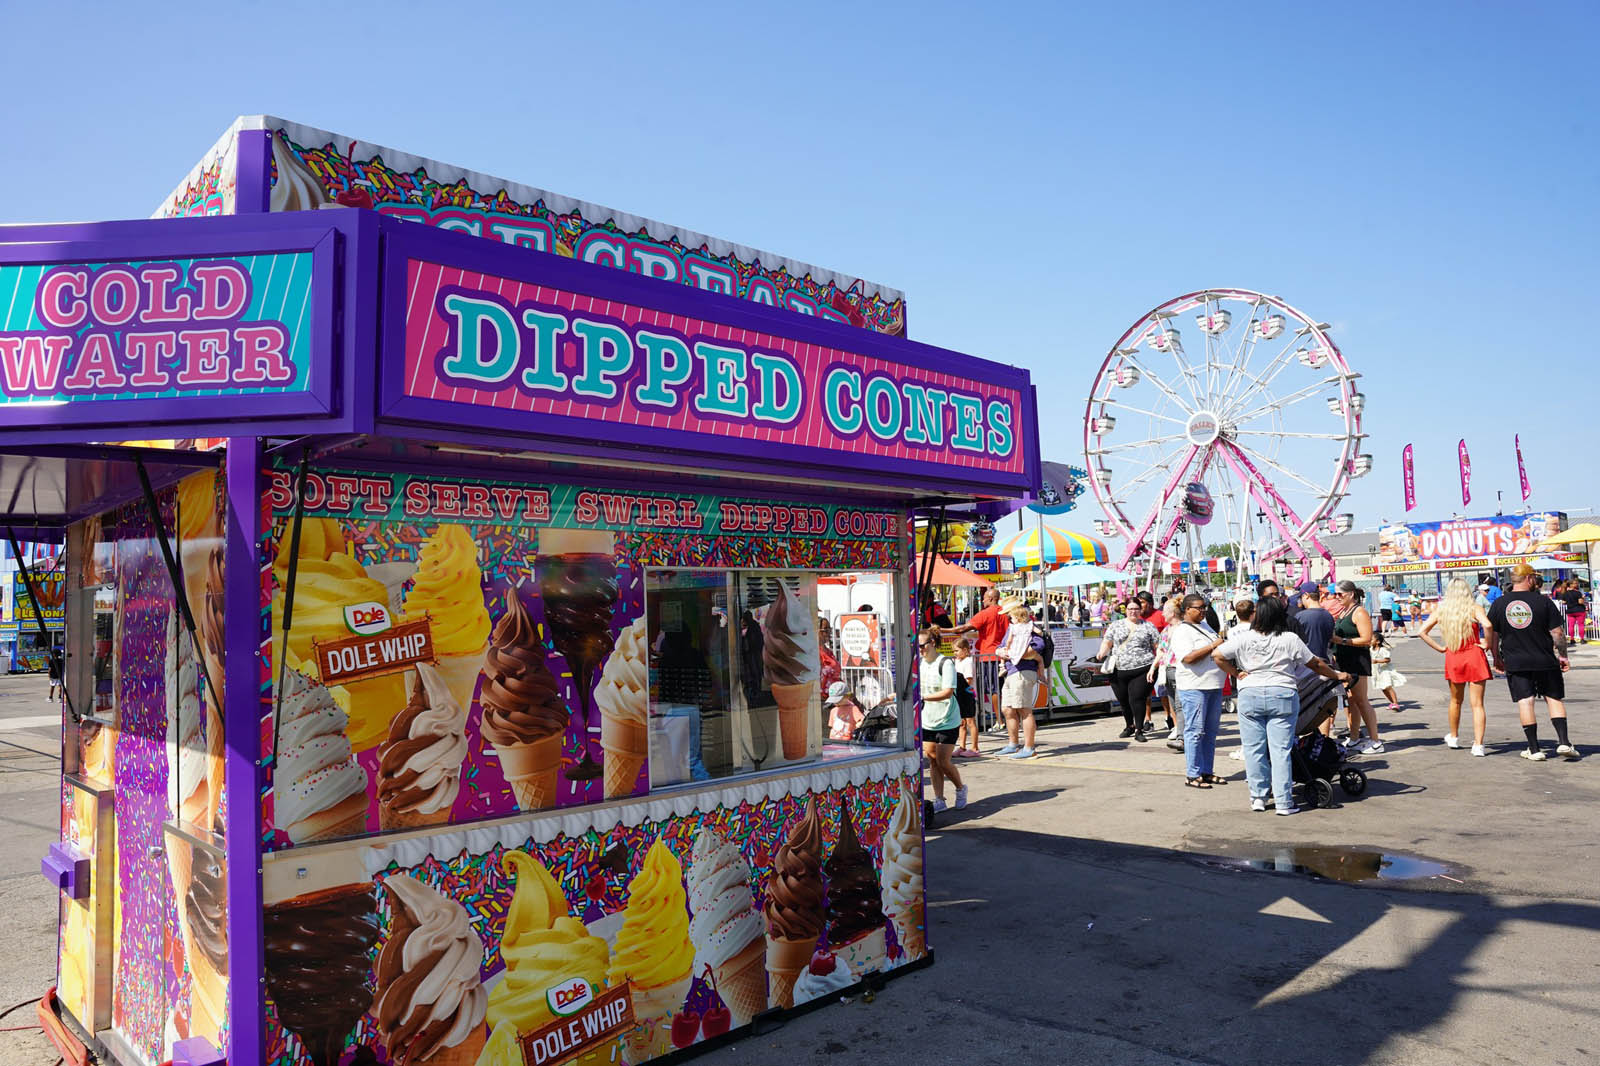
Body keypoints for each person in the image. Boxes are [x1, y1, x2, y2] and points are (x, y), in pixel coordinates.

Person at [1213, 595, 1351, 815]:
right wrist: (1337, 674)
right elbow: (1315, 663)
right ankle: (1284, 803)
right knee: (1281, 751)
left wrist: (1237, 673)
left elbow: (1217, 655)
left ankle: (1258, 797)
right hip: (1283, 693)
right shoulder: (1289, 638)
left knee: (1254, 749)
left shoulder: (1243, 638)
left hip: (1250, 693)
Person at [1487, 562, 1575, 761]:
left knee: (1525, 702)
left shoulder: (1500, 604)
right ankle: (1563, 742)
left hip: (1515, 661)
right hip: (1544, 659)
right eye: (1534, 577)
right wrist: (1563, 655)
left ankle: (1534, 749)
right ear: (1529, 578)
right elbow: (1557, 633)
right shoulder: (1542, 601)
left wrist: (1496, 656)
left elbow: (1493, 633)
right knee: (1553, 698)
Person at [1419, 578, 1493, 755]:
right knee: (1477, 704)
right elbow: (1488, 624)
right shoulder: (1475, 608)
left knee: (1455, 701)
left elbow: (1422, 631)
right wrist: (1487, 643)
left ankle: (1453, 736)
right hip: (1474, 654)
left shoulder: (1442, 610)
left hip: (1454, 655)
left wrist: (1440, 648)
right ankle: (1478, 745)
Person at [1172, 593, 1228, 788]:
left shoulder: (1205, 625)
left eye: (1205, 607)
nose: (1204, 610)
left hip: (1214, 685)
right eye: (1199, 608)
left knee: (1210, 732)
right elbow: (1188, 658)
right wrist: (1214, 645)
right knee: (1195, 731)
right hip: (1194, 686)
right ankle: (1192, 774)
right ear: (1187, 609)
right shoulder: (1181, 631)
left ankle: (1206, 771)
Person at [1331, 581, 1384, 754]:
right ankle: (1354, 737)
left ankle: (1375, 740)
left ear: (1351, 594)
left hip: (1357, 660)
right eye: (1336, 594)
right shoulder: (1344, 611)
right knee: (1351, 701)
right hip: (1344, 660)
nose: (1337, 597)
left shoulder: (1359, 612)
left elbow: (1367, 639)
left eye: (1340, 594)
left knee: (1361, 700)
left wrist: (1342, 641)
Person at [1097, 602, 1161, 742]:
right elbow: (1107, 641)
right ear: (1125, 610)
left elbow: (1158, 646)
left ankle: (1139, 729)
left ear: (1141, 610)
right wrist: (1102, 652)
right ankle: (1129, 725)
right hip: (1118, 669)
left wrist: (1157, 663)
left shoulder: (1148, 626)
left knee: (1137, 698)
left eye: (1136, 609)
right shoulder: (1116, 625)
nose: (1133, 612)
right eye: (1130, 609)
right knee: (1123, 700)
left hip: (1143, 668)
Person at [918, 627, 967, 811]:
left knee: (943, 761)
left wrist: (923, 697)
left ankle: (960, 788)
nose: (920, 649)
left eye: (922, 645)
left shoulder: (945, 663)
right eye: (917, 646)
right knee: (932, 759)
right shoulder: (920, 664)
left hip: (947, 719)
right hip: (927, 719)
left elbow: (948, 692)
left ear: (932, 644)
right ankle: (939, 798)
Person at [997, 601, 1047, 758]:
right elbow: (1001, 645)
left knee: (1024, 709)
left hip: (1023, 671)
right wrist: (1001, 652)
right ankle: (1013, 744)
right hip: (1012, 671)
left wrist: (1019, 653)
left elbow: (1039, 645)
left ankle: (1029, 747)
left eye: (1009, 614)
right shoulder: (1013, 628)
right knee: (1008, 708)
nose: (1007, 617)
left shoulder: (1028, 627)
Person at [951, 637, 982, 757]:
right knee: (961, 722)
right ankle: (962, 747)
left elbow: (968, 679)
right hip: (959, 695)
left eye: (957, 651)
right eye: (954, 651)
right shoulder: (957, 662)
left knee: (970, 721)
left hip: (967, 695)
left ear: (965, 650)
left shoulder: (968, 662)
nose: (955, 653)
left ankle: (974, 748)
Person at [1296, 586, 1335, 662]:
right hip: (1325, 662)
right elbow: (1331, 638)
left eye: (1301, 597)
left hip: (1308, 664)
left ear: (1306, 595)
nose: (1301, 600)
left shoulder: (1300, 616)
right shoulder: (1328, 615)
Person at [1370, 633, 1406, 710]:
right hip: (1377, 671)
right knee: (1383, 688)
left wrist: (1378, 661)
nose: (1370, 640)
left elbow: (1388, 659)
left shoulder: (1382, 650)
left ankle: (1395, 703)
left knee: (1388, 686)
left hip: (1384, 670)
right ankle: (1392, 702)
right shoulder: (1370, 649)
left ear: (1378, 642)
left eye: (1372, 639)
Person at [1563, 581, 1588, 646]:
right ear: (1571, 585)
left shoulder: (1565, 593)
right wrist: (1583, 598)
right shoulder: (1578, 593)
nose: (1577, 584)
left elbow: (1563, 602)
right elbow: (1580, 602)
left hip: (1570, 611)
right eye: (1575, 583)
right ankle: (1582, 639)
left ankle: (1572, 639)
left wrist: (1569, 602)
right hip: (1579, 610)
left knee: (1571, 626)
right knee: (1581, 625)